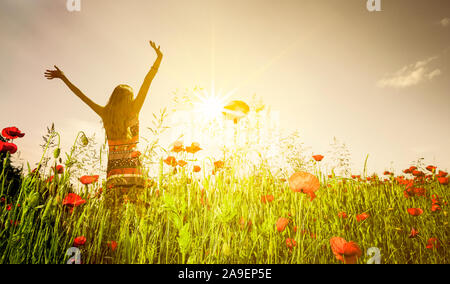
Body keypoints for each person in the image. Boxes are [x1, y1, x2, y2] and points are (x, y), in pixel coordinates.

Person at [45, 40, 163, 209]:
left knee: (114, 210)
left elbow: (81, 95)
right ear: (129, 98)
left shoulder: (105, 113)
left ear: (113, 97)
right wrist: (159, 58)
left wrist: (64, 78)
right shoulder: (134, 110)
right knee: (136, 211)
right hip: (133, 168)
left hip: (114, 169)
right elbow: (147, 81)